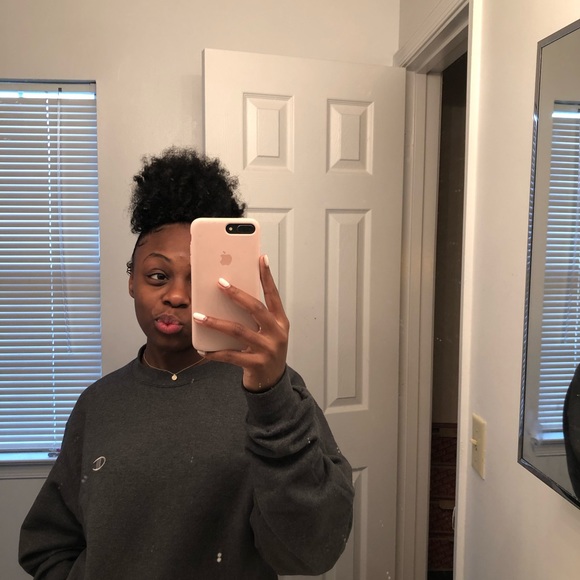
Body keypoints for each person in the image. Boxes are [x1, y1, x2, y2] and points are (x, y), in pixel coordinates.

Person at [18, 147, 354, 579]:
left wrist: (272, 400)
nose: (176, 295)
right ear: (131, 281)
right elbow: (48, 544)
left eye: (198, 280)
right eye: (158, 276)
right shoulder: (98, 404)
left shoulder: (269, 389)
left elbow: (312, 553)